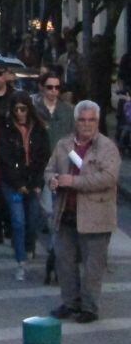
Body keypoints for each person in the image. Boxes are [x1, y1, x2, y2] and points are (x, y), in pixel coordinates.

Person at [46, 100, 121, 323]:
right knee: (65, 262)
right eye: (82, 119)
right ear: (75, 121)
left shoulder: (107, 147)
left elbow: (109, 178)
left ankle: (89, 307)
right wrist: (52, 180)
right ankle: (70, 302)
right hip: (66, 212)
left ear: (97, 122)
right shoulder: (63, 145)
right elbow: (49, 169)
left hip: (95, 216)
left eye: (91, 120)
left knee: (92, 266)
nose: (86, 124)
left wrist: (74, 181)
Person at [0, 92, 50, 282]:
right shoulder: (6, 129)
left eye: (23, 109)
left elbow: (43, 156)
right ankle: (20, 260)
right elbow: (5, 158)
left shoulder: (38, 129)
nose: (20, 113)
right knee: (18, 222)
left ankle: (28, 248)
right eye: (16, 109)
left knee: (33, 220)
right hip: (13, 184)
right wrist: (18, 183)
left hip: (33, 181)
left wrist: (36, 183)